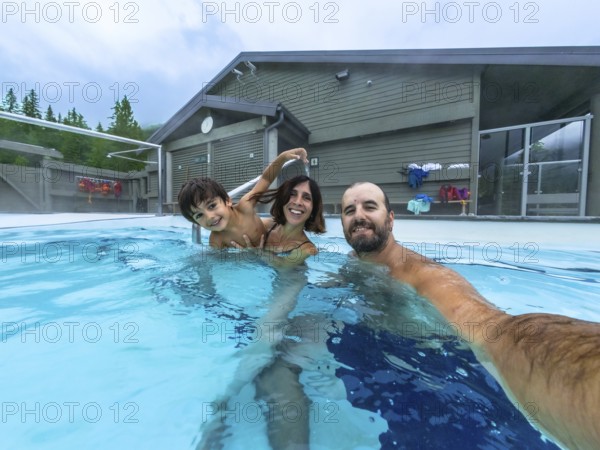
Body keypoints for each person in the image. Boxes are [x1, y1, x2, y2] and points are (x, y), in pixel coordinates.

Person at [340, 181, 600, 450]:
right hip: (376, 353)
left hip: (438, 370)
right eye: (349, 210)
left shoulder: (423, 274)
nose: (359, 215)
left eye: (369, 207)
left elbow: (491, 328)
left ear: (391, 219)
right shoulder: (353, 261)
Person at [196, 175, 326, 450]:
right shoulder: (269, 227)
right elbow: (236, 230)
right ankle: (226, 407)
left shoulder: (307, 248)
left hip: (292, 283)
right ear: (283, 199)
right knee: (266, 343)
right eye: (293, 194)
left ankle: (225, 400)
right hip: (267, 289)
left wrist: (254, 253)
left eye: (307, 198)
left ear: (313, 209)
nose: (298, 202)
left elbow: (282, 266)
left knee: (266, 334)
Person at [178, 147, 308, 249]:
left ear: (228, 200)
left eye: (212, 206)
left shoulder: (245, 206)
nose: (209, 216)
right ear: (196, 223)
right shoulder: (217, 240)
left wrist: (282, 158)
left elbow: (265, 179)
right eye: (199, 215)